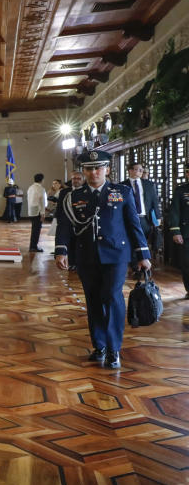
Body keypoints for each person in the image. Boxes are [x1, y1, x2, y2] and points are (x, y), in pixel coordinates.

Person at [54, 150, 150, 370]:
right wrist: (62, 251)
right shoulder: (72, 197)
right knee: (93, 300)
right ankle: (99, 346)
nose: (94, 172)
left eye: (98, 168)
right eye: (89, 168)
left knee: (112, 296)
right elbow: (65, 226)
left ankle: (114, 348)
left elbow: (133, 225)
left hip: (116, 255)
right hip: (86, 255)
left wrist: (143, 255)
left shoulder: (122, 192)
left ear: (107, 169)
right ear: (84, 171)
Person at [120, 162, 160, 255]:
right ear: (130, 170)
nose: (141, 171)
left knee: (144, 242)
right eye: (138, 169)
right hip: (129, 218)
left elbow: (155, 201)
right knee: (131, 241)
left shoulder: (149, 184)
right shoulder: (122, 186)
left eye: (142, 170)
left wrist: (158, 217)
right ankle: (134, 264)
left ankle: (143, 263)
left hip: (144, 218)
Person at [169, 163, 189, 298]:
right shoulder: (181, 190)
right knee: (187, 263)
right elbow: (174, 212)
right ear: (187, 174)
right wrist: (176, 231)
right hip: (186, 233)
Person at [26, 173, 47, 253]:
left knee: (34, 229)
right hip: (38, 211)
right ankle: (33, 247)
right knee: (36, 230)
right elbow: (42, 201)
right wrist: (43, 213)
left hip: (31, 210)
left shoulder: (30, 187)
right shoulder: (40, 188)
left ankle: (32, 246)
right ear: (42, 180)